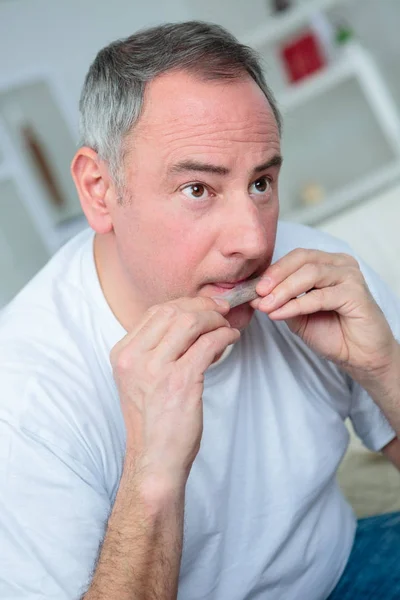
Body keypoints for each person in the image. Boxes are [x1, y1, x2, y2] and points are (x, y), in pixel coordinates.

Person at [1, 20, 400, 600]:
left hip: (342, 569)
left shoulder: (322, 268)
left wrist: (385, 367)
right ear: (98, 189)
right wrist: (153, 470)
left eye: (261, 182)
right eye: (198, 189)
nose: (254, 240)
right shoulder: (24, 406)